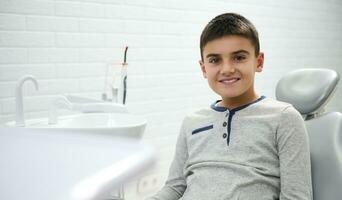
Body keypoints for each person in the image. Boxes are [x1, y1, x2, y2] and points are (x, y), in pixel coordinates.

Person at [146, 13, 312, 200]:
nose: (227, 69)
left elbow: (296, 196)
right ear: (203, 68)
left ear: (258, 61)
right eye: (215, 60)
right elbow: (175, 188)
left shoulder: (284, 118)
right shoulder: (192, 121)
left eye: (239, 57)